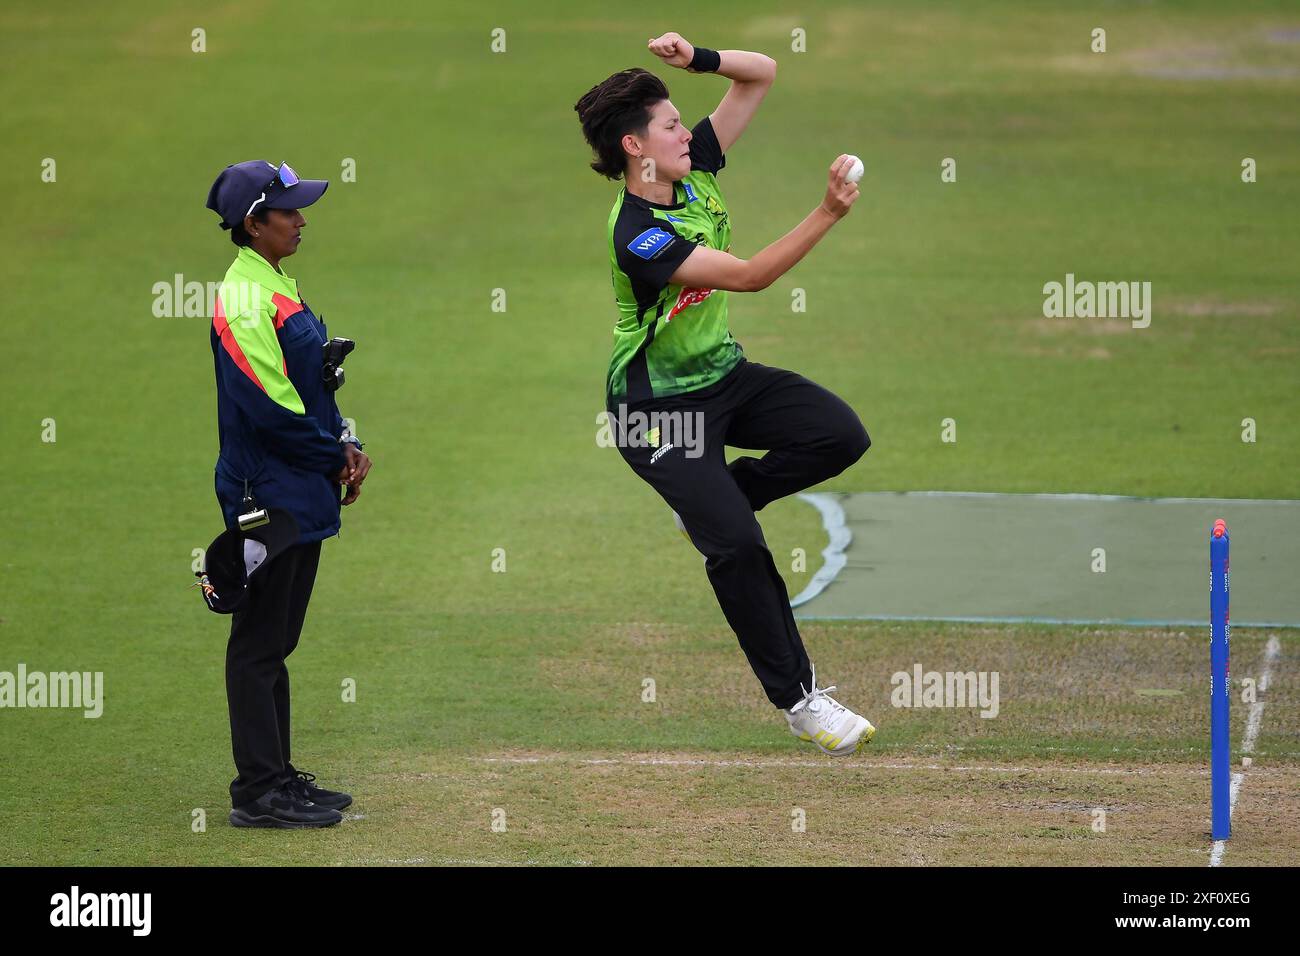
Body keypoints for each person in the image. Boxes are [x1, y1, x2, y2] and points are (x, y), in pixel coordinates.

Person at [574, 34, 875, 755]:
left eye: (683, 121)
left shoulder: (693, 167)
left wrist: (699, 60)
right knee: (737, 545)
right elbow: (748, 275)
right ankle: (802, 702)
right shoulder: (639, 235)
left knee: (839, 434)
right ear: (634, 146)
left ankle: (727, 494)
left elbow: (761, 75)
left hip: (723, 379)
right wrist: (827, 213)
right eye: (671, 125)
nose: (687, 131)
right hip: (656, 414)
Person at [204, 160, 373, 826]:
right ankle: (257, 793)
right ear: (254, 223)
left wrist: (347, 443)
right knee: (256, 643)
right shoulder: (244, 298)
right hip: (267, 491)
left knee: (277, 640)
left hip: (297, 484)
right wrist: (336, 456)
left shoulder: (273, 285)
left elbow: (308, 389)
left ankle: (279, 778)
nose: (302, 220)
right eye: (289, 211)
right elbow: (272, 408)